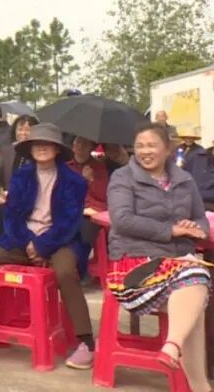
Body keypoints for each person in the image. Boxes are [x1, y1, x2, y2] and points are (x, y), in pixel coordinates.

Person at [0, 123, 95, 370]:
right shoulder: (22, 176)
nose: (42, 148)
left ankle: (85, 342)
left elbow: (69, 222)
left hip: (60, 241)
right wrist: (29, 243)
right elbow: (12, 216)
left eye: (47, 144)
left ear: (57, 149)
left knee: (65, 272)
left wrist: (42, 246)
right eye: (36, 144)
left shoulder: (74, 181)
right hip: (23, 240)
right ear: (29, 149)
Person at [106, 122, 211, 391]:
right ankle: (177, 351)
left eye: (152, 145)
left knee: (195, 287)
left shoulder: (184, 180)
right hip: (134, 267)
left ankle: (192, 375)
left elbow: (201, 218)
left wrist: (194, 227)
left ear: (167, 149)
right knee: (197, 277)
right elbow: (122, 220)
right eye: (140, 146)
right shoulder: (122, 177)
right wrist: (171, 230)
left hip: (176, 265)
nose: (145, 151)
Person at [69, 134, 110, 246]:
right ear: (73, 146)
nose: (80, 146)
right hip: (73, 211)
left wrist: (91, 181)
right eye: (78, 143)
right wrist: (82, 180)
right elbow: (67, 194)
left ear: (91, 148)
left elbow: (103, 195)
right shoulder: (67, 168)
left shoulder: (99, 168)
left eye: (85, 144)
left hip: (94, 213)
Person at [177, 126, 214, 208]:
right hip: (189, 194)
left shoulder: (199, 150)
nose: (188, 139)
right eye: (186, 137)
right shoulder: (179, 148)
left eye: (191, 138)